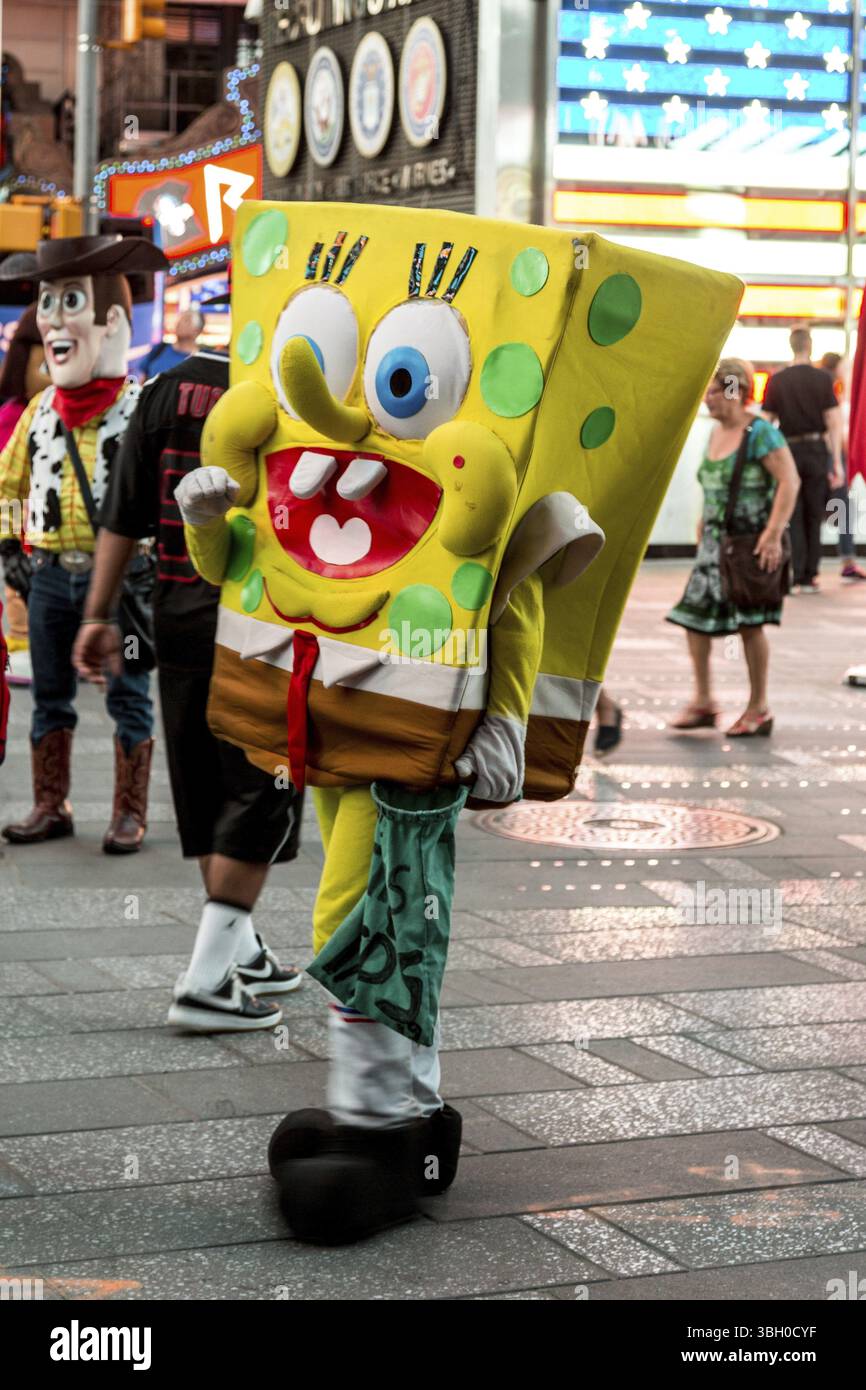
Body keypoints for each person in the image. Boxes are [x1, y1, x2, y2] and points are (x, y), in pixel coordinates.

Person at [174, 196, 740, 1245]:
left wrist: (508, 723)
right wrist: (211, 524)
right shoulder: (311, 479)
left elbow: (513, 605)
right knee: (368, 902)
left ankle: (374, 1117)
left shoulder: (476, 502)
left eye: (394, 383)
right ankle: (401, 1112)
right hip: (328, 720)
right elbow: (249, 568)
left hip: (416, 740)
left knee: (377, 906)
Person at [73, 290, 303, 1032]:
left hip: (176, 616)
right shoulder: (282, 397)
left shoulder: (161, 391)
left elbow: (123, 513)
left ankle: (244, 952)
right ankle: (206, 983)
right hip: (262, 626)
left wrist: (99, 614)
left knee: (205, 783)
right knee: (262, 787)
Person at [0, 232, 167, 850]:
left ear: (113, 321)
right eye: (46, 303)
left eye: (69, 301)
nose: (50, 320)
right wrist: (9, 547)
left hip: (124, 585)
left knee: (128, 693)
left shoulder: (142, 409)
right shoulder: (42, 410)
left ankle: (129, 813)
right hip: (48, 575)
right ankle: (51, 802)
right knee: (49, 696)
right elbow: (8, 481)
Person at [667, 358, 800, 737]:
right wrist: (701, 527)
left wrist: (772, 534)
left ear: (736, 392)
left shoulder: (760, 432)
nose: (707, 399)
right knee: (694, 617)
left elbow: (790, 481)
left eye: (714, 391)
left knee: (750, 624)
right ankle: (704, 700)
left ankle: (759, 708)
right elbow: (713, 488)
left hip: (749, 545)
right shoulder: (714, 434)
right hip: (714, 546)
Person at [762, 325, 843, 594]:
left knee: (792, 512)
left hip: (788, 451)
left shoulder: (778, 379)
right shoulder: (823, 379)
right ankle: (811, 575)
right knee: (814, 512)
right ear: (810, 345)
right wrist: (837, 463)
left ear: (790, 345)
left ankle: (797, 574)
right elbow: (833, 420)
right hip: (817, 451)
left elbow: (767, 421)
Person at [0, 302, 47, 687]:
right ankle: (20, 645)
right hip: (22, 512)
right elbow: (8, 480)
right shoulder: (16, 414)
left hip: (49, 513)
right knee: (19, 582)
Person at [820, 351, 866, 583]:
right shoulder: (830, 388)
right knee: (843, 508)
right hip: (832, 456)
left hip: (816, 456)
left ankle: (802, 568)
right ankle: (848, 561)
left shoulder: (826, 385)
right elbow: (835, 425)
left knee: (809, 509)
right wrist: (838, 460)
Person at [137, 307, 203, 382]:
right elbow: (143, 380)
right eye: (179, 319)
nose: (179, 323)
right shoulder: (160, 349)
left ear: (197, 331)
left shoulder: (201, 360)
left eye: (186, 320)